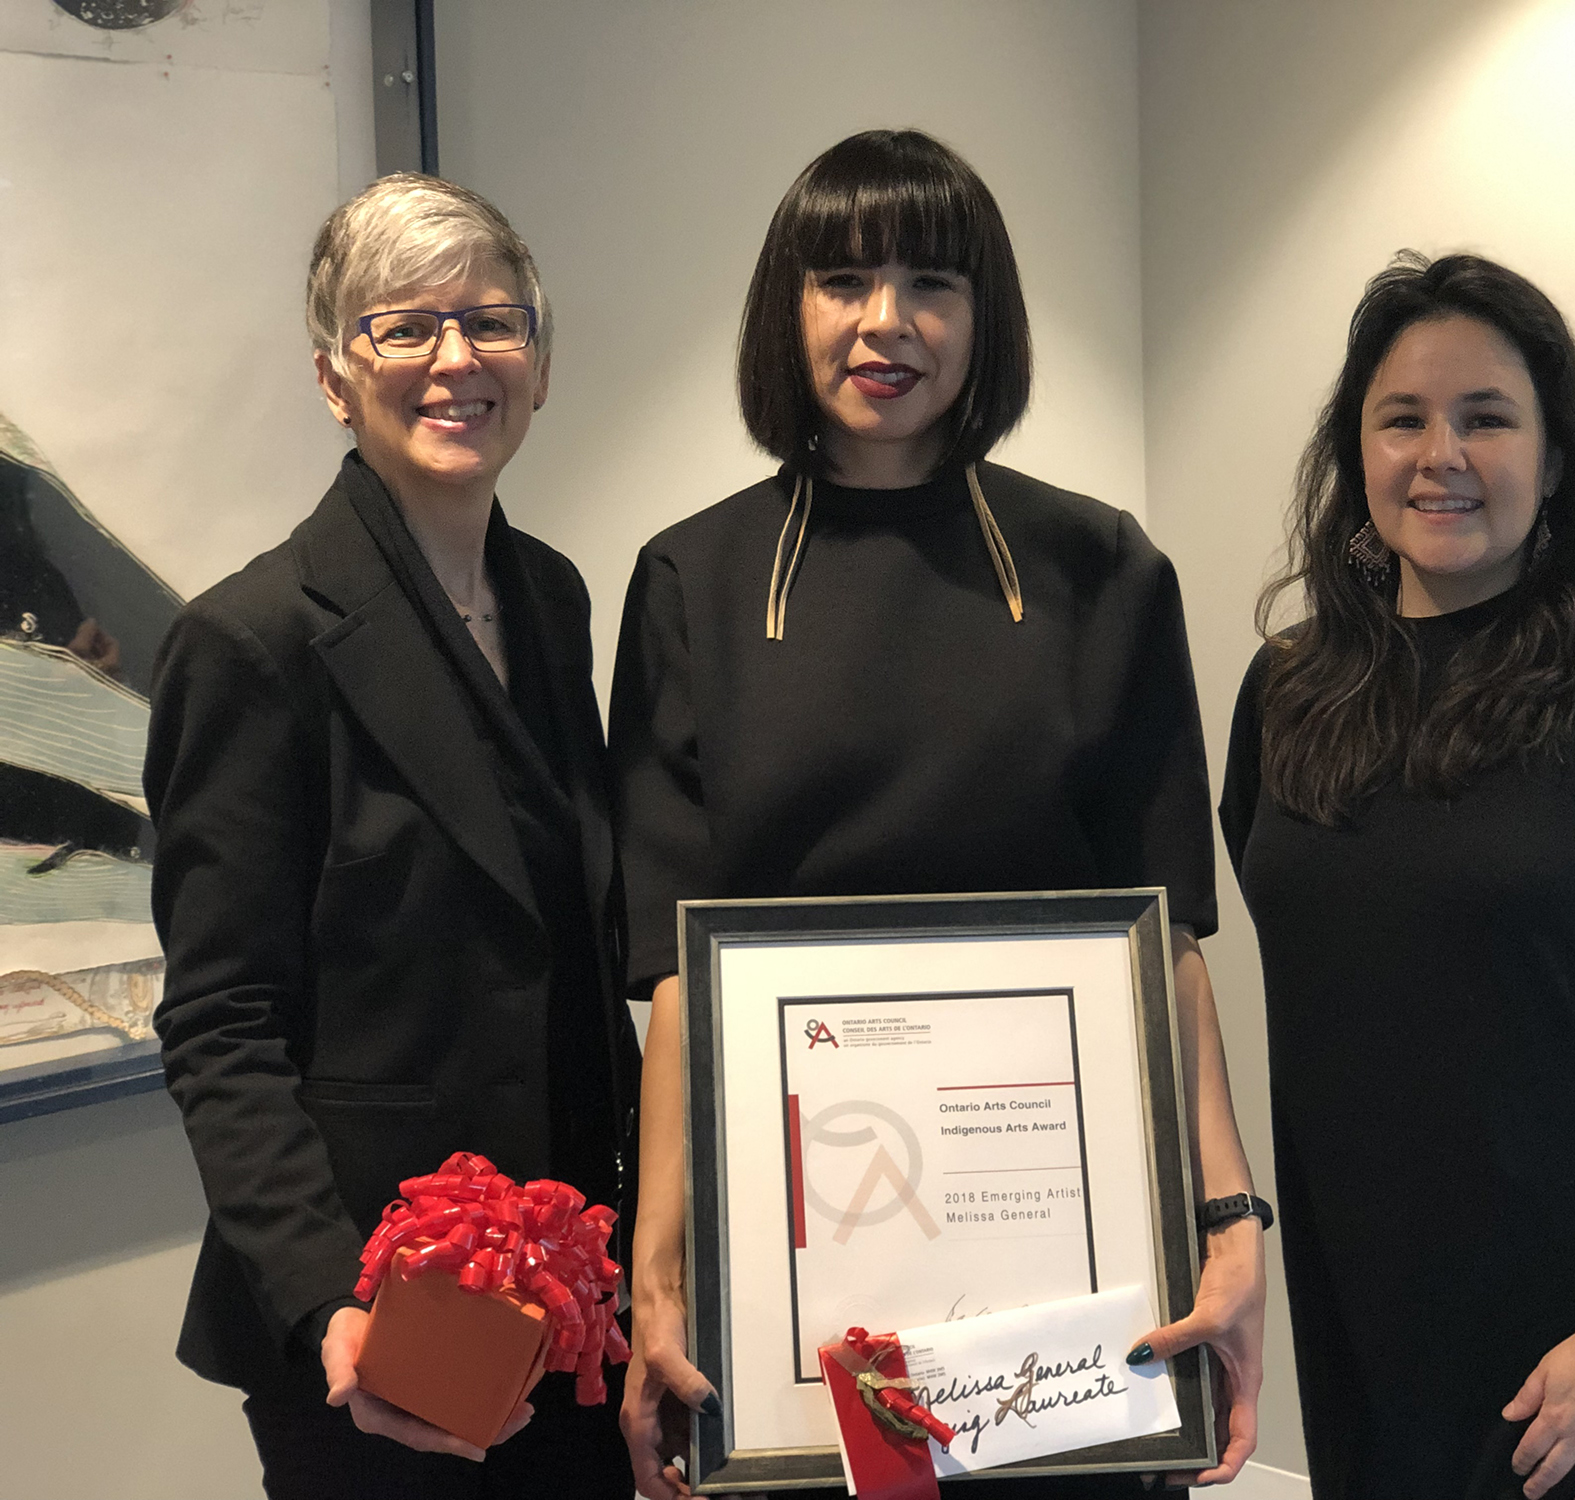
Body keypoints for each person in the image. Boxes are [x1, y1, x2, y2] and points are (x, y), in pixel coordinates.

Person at [610, 129, 1266, 1500]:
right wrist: (655, 1282)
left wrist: (1227, 1221)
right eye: (842, 281)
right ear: (785, 312)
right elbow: (675, 979)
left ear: (988, 318)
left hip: (1067, 1280)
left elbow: (1170, 942)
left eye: (933, 284)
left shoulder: (1103, 569)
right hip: (791, 1279)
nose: (885, 323)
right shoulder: (694, 581)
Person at [1220, 252, 1575, 1500]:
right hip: (1365, 1319)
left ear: (1555, 457)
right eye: (1402, 419)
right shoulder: (1287, 692)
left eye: (1485, 417)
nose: (1441, 453)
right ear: (1354, 453)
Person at [144, 174, 641, 1499]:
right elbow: (223, 1022)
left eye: (491, 321)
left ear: (538, 361)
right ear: (332, 378)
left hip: (571, 1303)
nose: (456, 361)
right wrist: (326, 1308)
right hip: (371, 1331)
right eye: (401, 329)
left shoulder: (553, 597)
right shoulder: (251, 642)